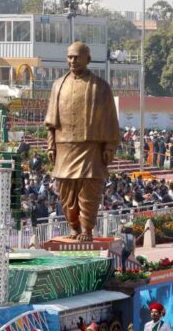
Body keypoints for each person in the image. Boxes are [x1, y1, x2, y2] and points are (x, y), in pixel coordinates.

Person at [43, 42, 121, 240]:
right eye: (69, 57)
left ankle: (86, 229)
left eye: (76, 57)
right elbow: (51, 122)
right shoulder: (58, 85)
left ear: (88, 59)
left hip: (90, 148)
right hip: (64, 147)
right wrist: (51, 145)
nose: (72, 60)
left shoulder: (101, 87)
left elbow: (110, 120)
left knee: (89, 191)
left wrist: (110, 146)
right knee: (66, 193)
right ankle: (74, 228)